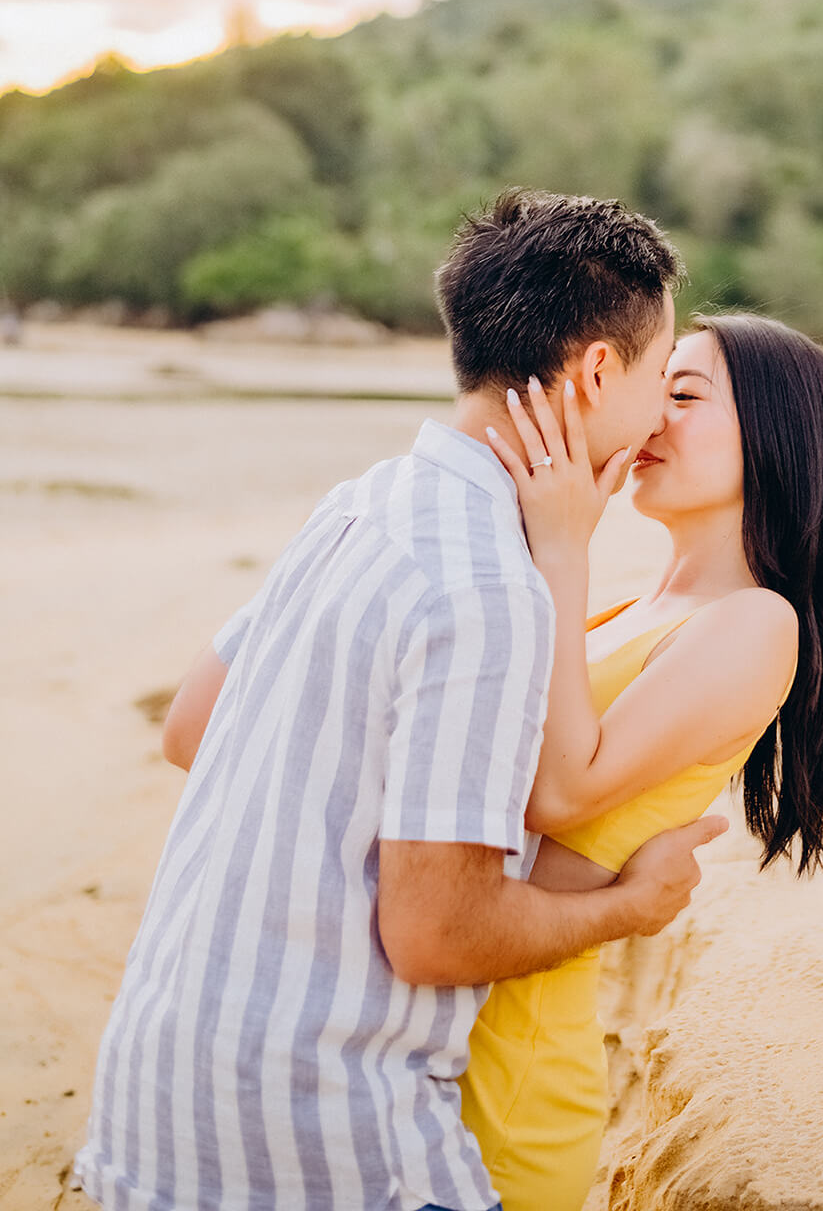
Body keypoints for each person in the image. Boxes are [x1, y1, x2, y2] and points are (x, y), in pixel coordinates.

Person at [74, 189, 721, 1211]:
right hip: (321, 1147)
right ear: (599, 369)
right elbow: (437, 935)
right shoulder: (488, 586)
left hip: (149, 1108)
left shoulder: (363, 501)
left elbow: (191, 725)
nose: (651, 424)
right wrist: (625, 906)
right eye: (656, 379)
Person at [458, 309, 823, 1211]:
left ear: (777, 436)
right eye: (648, 390)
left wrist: (561, 541)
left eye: (684, 395)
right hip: (448, 1020)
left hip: (512, 1064)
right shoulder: (626, 611)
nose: (648, 418)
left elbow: (559, 788)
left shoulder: (755, 621)